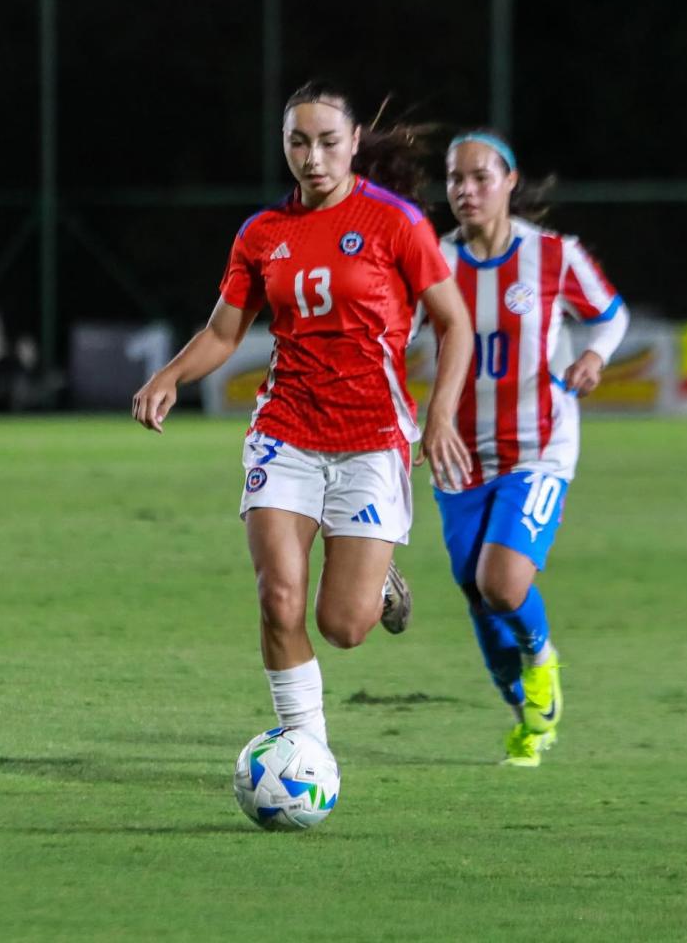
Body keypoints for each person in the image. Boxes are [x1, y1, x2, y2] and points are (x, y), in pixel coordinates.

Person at [132, 81, 473, 748]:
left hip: (372, 438)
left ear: (352, 144)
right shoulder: (263, 235)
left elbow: (454, 324)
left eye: (326, 141)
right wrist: (170, 373)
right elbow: (225, 334)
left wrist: (439, 417)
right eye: (297, 141)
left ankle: (373, 585)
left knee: (342, 626)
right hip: (285, 432)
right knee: (278, 600)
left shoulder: (396, 222)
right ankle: (303, 750)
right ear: (283, 146)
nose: (312, 156)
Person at [430, 129, 629, 767]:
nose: (465, 189)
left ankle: (542, 658)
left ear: (510, 181)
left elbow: (611, 312)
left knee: (501, 581)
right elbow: (391, 332)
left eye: (480, 176)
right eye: (455, 178)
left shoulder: (553, 256)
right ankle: (524, 711)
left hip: (538, 446)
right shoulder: (434, 261)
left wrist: (595, 354)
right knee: (475, 589)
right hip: (459, 454)